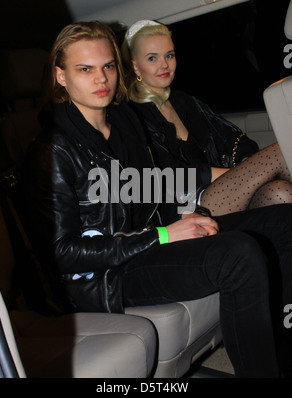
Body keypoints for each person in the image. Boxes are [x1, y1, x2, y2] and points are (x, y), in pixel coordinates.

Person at [25, 20, 292, 378]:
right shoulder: (53, 150)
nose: (101, 79)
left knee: (281, 220)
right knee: (238, 254)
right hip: (108, 275)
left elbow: (151, 186)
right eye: (84, 69)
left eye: (107, 66)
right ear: (61, 76)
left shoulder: (123, 123)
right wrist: (164, 235)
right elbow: (65, 254)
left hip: (150, 243)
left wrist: (185, 217)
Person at [121, 20, 292, 216]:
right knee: (280, 152)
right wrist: (237, 175)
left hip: (220, 193)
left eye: (169, 55)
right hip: (183, 206)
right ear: (135, 66)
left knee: (280, 192)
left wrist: (246, 163)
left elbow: (230, 137)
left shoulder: (184, 102)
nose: (164, 65)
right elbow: (165, 177)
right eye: (152, 58)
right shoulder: (131, 116)